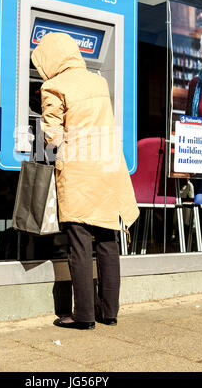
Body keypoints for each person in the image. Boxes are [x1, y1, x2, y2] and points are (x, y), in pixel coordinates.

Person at [31, 32, 139, 330]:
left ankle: (83, 316)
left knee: (79, 244)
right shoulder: (99, 81)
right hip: (107, 170)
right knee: (107, 242)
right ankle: (110, 312)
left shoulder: (52, 86)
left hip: (79, 174)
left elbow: (53, 137)